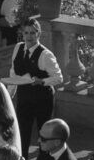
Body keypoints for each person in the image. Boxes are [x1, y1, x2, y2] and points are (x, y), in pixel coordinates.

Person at [10, 15, 64, 147]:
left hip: (42, 99)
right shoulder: (18, 48)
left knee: (44, 135)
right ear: (22, 34)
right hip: (24, 97)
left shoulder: (46, 55)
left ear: (38, 34)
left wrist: (42, 81)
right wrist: (9, 96)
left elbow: (59, 78)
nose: (29, 36)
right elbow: (13, 72)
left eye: (33, 33)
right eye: (26, 33)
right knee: (22, 133)